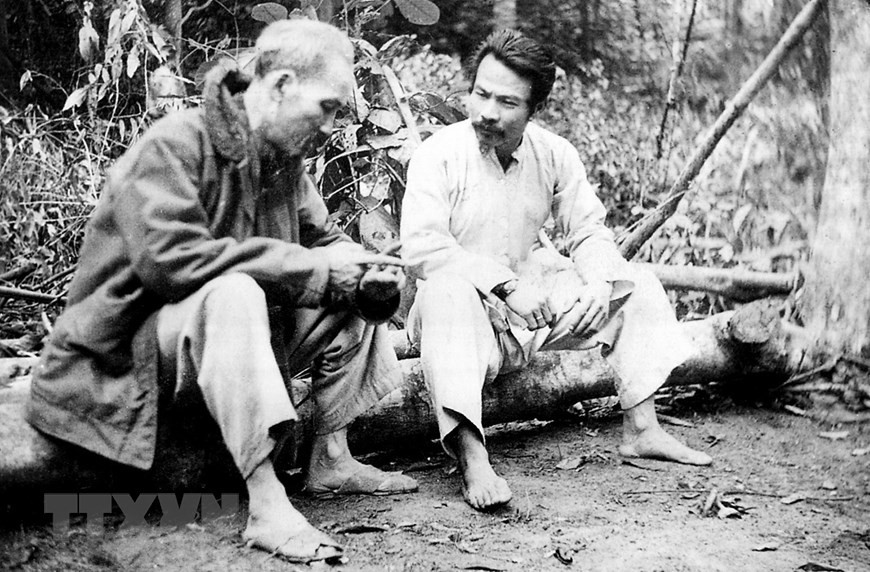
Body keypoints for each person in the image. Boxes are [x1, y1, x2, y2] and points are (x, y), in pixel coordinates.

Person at [28, 19, 417, 563]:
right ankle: (265, 502)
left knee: (346, 285)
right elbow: (175, 265)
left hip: (213, 357)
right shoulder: (175, 145)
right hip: (124, 361)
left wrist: (369, 276)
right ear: (280, 85)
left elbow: (324, 243)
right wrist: (318, 268)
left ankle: (331, 457)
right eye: (327, 106)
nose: (333, 125)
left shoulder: (283, 160)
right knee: (232, 293)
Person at [400, 29, 712, 512]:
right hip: (458, 320)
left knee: (637, 283)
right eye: (480, 94)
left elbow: (588, 231)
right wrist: (504, 285)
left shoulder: (554, 154)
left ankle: (643, 429)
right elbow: (421, 248)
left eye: (506, 102)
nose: (487, 111)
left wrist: (598, 284)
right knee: (446, 291)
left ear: (534, 108)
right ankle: (472, 457)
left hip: (534, 313)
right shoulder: (437, 155)